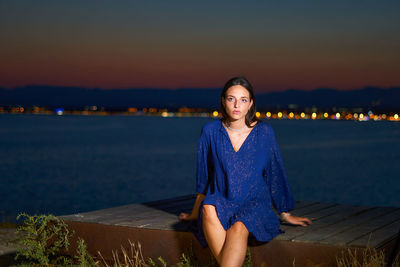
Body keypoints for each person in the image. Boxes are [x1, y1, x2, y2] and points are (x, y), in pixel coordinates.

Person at [179, 77, 312, 267]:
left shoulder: (264, 132)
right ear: (223, 101)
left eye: (243, 100)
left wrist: (284, 212)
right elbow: (204, 176)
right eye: (231, 98)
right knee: (208, 207)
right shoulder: (210, 131)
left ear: (250, 104)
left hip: (254, 202)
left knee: (239, 226)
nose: (236, 105)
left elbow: (275, 172)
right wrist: (194, 213)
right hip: (222, 199)